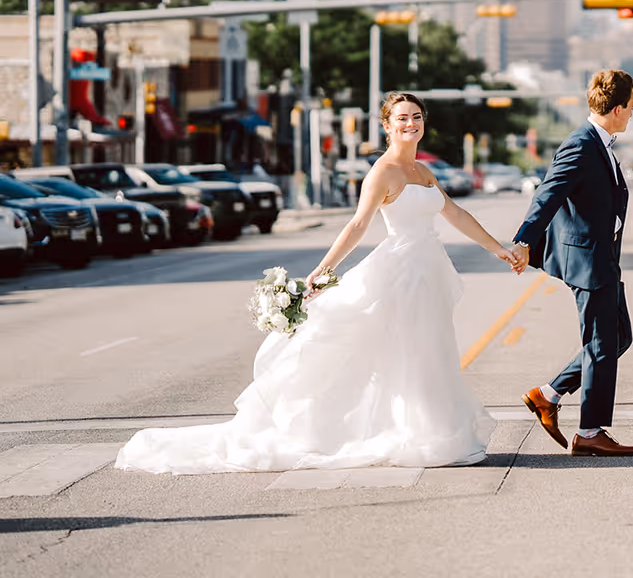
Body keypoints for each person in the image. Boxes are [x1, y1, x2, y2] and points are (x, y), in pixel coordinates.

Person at [116, 92, 521, 475]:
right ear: (387, 126)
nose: (410, 124)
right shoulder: (383, 172)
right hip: (401, 272)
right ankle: (411, 433)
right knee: (409, 350)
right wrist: (323, 271)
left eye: (416, 117)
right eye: (402, 118)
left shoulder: (423, 169)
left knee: (430, 349)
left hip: (428, 269)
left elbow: (453, 212)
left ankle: (431, 432)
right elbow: (358, 224)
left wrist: (496, 248)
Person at [508, 70, 633, 457]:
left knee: (619, 337)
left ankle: (547, 395)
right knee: (601, 344)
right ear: (616, 109)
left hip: (601, 257)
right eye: (631, 108)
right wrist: (523, 242)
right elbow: (547, 195)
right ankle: (589, 431)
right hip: (587, 259)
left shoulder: (599, 143)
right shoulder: (581, 145)